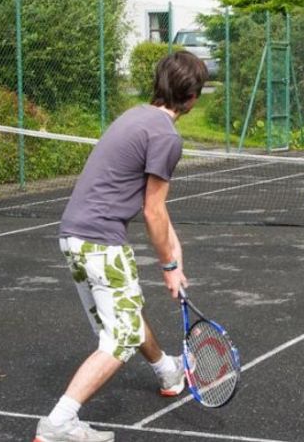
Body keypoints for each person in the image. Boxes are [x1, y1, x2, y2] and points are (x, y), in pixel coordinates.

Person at [34, 51, 208, 442]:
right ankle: (58, 423)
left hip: (73, 236)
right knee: (121, 336)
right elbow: (152, 211)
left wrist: (175, 255)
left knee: (124, 314)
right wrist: (168, 269)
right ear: (193, 96)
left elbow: (158, 211)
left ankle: (168, 371)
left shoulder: (135, 116)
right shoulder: (166, 136)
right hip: (99, 241)